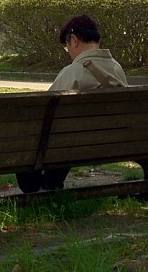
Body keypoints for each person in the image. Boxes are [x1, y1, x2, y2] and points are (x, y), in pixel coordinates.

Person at [16, 14, 128, 193]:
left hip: (73, 143)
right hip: (112, 142)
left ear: (74, 40)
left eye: (67, 47)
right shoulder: (116, 69)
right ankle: (51, 183)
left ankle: (34, 187)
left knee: (37, 135)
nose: (69, 53)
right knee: (69, 134)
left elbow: (41, 111)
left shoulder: (74, 71)